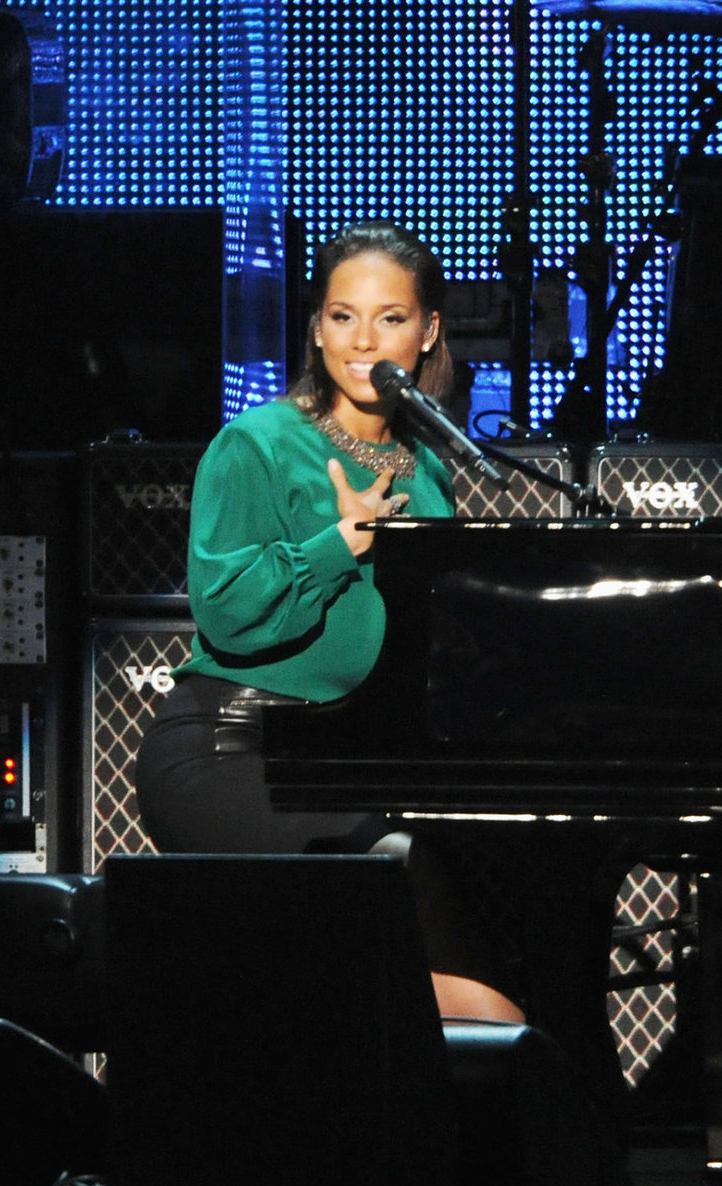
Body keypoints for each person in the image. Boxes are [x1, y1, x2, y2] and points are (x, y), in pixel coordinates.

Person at [133, 220, 524, 1024]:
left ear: (428, 332)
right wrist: (340, 542)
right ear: (316, 328)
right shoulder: (257, 444)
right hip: (235, 747)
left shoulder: (431, 468)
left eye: (390, 317)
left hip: (355, 759)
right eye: (343, 316)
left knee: (496, 890)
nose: (363, 340)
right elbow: (227, 612)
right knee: (402, 880)